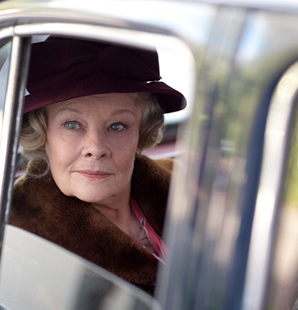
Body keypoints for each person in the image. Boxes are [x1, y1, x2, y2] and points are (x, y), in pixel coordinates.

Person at [10, 37, 186, 295]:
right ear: (42, 134)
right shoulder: (16, 243)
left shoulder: (185, 185)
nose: (96, 147)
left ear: (141, 132)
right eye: (72, 124)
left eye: (117, 126)